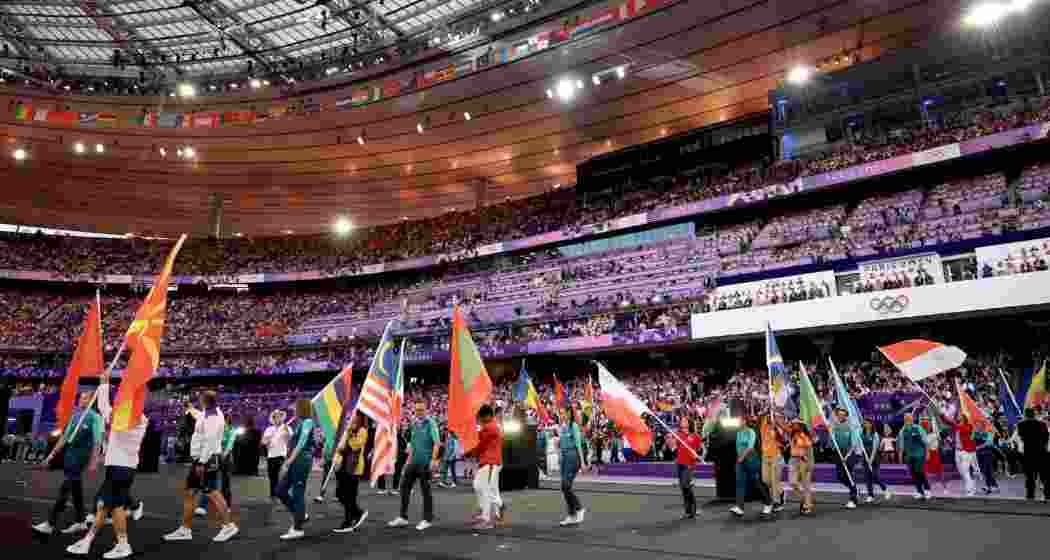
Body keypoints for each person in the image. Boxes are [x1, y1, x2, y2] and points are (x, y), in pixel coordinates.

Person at [65, 375, 148, 559]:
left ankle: (113, 543)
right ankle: (97, 541)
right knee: (109, 506)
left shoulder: (126, 418)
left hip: (119, 468)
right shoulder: (142, 419)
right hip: (127, 467)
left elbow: (104, 408)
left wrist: (104, 385)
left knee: (109, 506)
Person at [162, 391, 239, 543]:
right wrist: (191, 409)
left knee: (212, 492)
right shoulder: (207, 413)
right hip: (200, 460)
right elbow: (199, 418)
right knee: (190, 492)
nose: (199, 402)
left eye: (200, 400)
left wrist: (202, 462)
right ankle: (185, 529)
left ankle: (228, 525)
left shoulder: (214, 417)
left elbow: (210, 442)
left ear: (205, 401)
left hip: (207, 460)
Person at [34, 391, 103, 536]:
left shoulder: (95, 418)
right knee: (76, 489)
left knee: (65, 489)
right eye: (80, 397)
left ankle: (50, 523)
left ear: (91, 401)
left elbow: (98, 441)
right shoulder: (76, 415)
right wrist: (51, 456)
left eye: (84, 398)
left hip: (81, 458)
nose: (81, 400)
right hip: (70, 456)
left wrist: (94, 461)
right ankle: (81, 521)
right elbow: (64, 438)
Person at [387, 401, 441, 531]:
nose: (419, 412)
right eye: (417, 410)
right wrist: (407, 461)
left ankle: (427, 519)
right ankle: (403, 517)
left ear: (426, 410)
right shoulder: (414, 423)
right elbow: (412, 444)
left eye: (421, 410)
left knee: (426, 492)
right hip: (413, 462)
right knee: (404, 488)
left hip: (425, 463)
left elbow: (437, 443)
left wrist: (433, 460)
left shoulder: (431, 423)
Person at [275, 399, 317, 540]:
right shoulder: (300, 423)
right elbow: (294, 443)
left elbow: (302, 443)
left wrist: (289, 461)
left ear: (302, 408)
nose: (294, 410)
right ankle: (300, 515)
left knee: (298, 493)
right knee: (280, 490)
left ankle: (298, 528)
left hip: (301, 461)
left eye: (296, 407)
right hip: (295, 460)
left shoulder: (308, 422)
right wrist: (287, 437)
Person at [730, 416, 773, 518]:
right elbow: (738, 447)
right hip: (740, 460)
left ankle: (768, 503)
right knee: (739, 483)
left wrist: (742, 457)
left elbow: (750, 447)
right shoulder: (738, 433)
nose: (737, 423)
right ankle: (739, 507)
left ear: (745, 421)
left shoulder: (751, 432)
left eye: (739, 421)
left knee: (757, 483)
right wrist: (739, 459)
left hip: (752, 460)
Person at [333, 412, 369, 533]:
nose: (350, 421)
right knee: (340, 494)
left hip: (354, 468)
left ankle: (348, 522)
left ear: (358, 419)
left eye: (352, 419)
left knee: (350, 495)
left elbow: (356, 446)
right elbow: (340, 448)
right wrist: (336, 460)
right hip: (343, 467)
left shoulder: (362, 431)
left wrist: (350, 434)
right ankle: (358, 513)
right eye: (349, 419)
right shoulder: (346, 431)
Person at [469, 404, 503, 529]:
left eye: (480, 417)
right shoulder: (492, 426)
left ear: (487, 416)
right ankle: (497, 507)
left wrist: (469, 451)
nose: (479, 420)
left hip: (490, 462)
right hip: (489, 462)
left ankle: (486, 519)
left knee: (485, 489)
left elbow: (479, 445)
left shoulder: (488, 427)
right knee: (480, 486)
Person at [194, 415, 237, 517]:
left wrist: (223, 453)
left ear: (227, 421)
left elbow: (230, 445)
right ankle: (202, 506)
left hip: (225, 458)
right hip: (214, 456)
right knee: (210, 481)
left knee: (226, 483)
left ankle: (226, 506)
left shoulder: (232, 430)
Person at [557, 406, 588, 526]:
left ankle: (579, 509)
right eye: (561, 413)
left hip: (573, 456)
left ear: (569, 414)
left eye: (564, 413)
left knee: (565, 485)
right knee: (564, 487)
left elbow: (578, 444)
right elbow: (561, 444)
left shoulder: (573, 426)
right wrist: (560, 455)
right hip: (565, 457)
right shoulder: (562, 427)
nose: (562, 415)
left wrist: (583, 462)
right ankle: (572, 515)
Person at [670, 415, 701, 519]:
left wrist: (696, 455)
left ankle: (693, 509)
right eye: (681, 420)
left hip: (689, 464)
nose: (682, 422)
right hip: (680, 463)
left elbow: (699, 450)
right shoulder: (678, 435)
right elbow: (673, 448)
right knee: (683, 487)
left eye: (684, 420)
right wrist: (670, 440)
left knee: (685, 485)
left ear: (689, 423)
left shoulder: (695, 436)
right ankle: (688, 511)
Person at [1015, 408, 1049, 501]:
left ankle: (1030, 495)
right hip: (1041, 452)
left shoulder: (1021, 424)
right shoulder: (1042, 424)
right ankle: (1047, 494)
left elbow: (1021, 437)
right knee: (1044, 475)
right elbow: (1046, 438)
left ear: (1025, 415)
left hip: (1028, 452)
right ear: (1034, 414)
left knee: (1030, 476)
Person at [896, 413, 931, 500]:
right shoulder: (902, 431)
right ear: (904, 420)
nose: (907, 420)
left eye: (909, 418)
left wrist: (928, 453)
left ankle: (927, 489)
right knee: (913, 474)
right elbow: (901, 444)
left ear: (912, 419)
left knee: (919, 471)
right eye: (906, 418)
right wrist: (900, 455)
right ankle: (919, 491)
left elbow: (926, 442)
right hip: (909, 455)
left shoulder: (918, 428)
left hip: (919, 454)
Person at [944, 414, 979, 496]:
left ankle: (970, 490)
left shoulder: (967, 426)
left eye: (960, 416)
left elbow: (967, 430)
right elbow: (948, 422)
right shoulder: (957, 427)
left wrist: (942, 414)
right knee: (961, 472)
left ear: (964, 418)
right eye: (958, 416)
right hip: (957, 451)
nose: (958, 417)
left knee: (965, 470)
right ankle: (972, 485)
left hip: (966, 451)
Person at [830, 409, 859, 509]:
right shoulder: (835, 427)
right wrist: (831, 434)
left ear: (846, 416)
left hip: (849, 454)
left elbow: (854, 443)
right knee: (840, 476)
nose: (841, 416)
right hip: (838, 453)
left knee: (849, 475)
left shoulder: (850, 426)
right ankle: (854, 488)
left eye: (843, 415)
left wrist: (847, 455)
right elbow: (832, 443)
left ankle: (853, 499)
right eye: (839, 415)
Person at [261, 410, 291, 502]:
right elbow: (263, 442)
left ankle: (281, 495)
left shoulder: (287, 427)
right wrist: (267, 440)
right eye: (276, 416)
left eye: (279, 416)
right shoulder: (269, 429)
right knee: (272, 477)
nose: (278, 418)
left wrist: (286, 431)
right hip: (271, 455)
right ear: (273, 418)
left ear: (282, 418)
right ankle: (273, 495)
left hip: (282, 455)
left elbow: (289, 440)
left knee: (281, 476)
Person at [759, 413, 785, 512]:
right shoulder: (763, 424)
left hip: (776, 456)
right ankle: (781, 492)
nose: (770, 418)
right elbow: (761, 415)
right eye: (768, 417)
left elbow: (782, 440)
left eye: (772, 417)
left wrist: (776, 428)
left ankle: (777, 503)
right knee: (766, 480)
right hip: (765, 456)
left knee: (775, 481)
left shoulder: (777, 428)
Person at [788, 420, 814, 515]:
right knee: (792, 482)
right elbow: (783, 428)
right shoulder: (791, 434)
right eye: (793, 424)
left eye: (796, 424)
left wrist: (810, 464)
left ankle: (807, 506)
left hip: (804, 460)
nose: (794, 425)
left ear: (801, 426)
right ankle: (803, 498)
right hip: (793, 460)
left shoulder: (805, 436)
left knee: (806, 484)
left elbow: (808, 446)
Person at [860, 420, 891, 503]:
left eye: (868, 423)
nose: (866, 424)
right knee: (867, 477)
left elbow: (875, 448)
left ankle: (885, 489)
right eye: (865, 423)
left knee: (875, 475)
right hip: (865, 457)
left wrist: (871, 459)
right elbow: (859, 445)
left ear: (871, 424)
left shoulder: (875, 434)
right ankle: (870, 495)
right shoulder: (861, 434)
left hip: (874, 458)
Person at [921, 418, 947, 493]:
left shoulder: (935, 434)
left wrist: (934, 420)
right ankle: (927, 488)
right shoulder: (924, 435)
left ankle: (945, 487)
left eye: (928, 426)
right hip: (927, 454)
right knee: (926, 472)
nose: (927, 427)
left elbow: (942, 433)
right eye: (925, 426)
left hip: (935, 454)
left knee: (940, 472)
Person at [974, 426, 999, 494]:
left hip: (987, 454)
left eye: (979, 425)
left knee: (987, 470)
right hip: (980, 454)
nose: (978, 426)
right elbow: (973, 441)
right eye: (977, 424)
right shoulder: (976, 433)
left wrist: (978, 447)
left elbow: (989, 443)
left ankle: (991, 486)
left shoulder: (988, 432)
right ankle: (991, 486)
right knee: (986, 471)